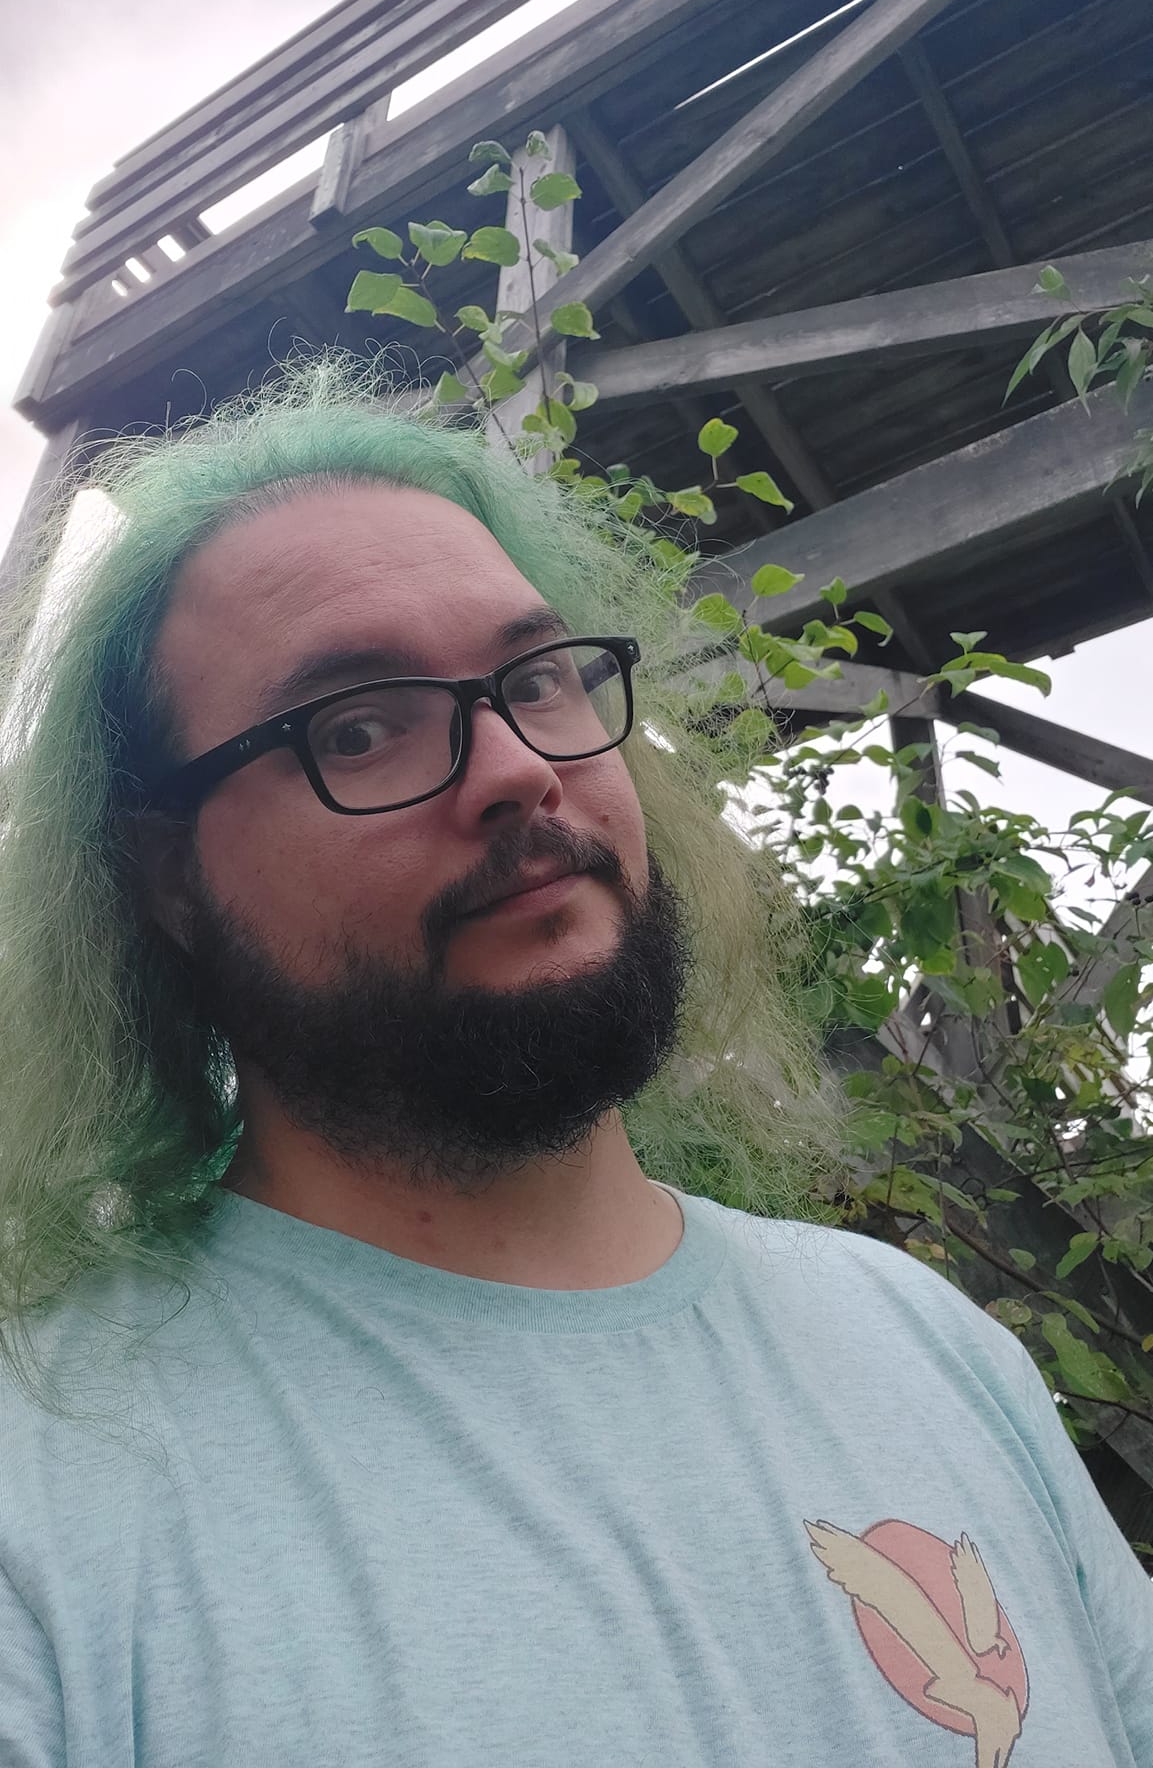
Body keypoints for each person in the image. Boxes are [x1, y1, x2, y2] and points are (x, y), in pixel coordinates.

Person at [0, 360, 1149, 1768]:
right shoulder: (45, 1485)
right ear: (163, 877)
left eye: (538, 679)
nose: (515, 771)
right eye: (358, 727)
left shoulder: (925, 1342)